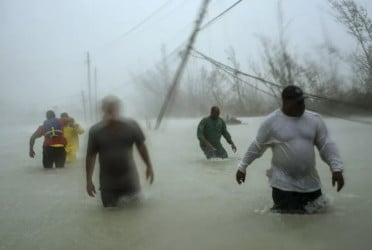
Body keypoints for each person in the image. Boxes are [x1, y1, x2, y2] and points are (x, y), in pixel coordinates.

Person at [235, 85, 345, 213]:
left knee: (318, 222)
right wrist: (242, 167)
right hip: (283, 186)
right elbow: (256, 146)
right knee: (289, 224)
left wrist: (336, 168)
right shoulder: (271, 122)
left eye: (303, 101)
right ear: (286, 102)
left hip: (311, 185)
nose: (302, 105)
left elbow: (327, 145)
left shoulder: (314, 119)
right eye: (298, 103)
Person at [85, 95, 154, 207]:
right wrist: (88, 180)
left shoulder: (131, 126)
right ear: (103, 110)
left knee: (136, 217)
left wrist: (149, 166)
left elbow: (141, 147)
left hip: (130, 182)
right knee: (110, 217)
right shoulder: (95, 131)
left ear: (119, 110)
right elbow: (90, 156)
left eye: (114, 109)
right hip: (108, 185)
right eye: (108, 109)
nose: (111, 112)